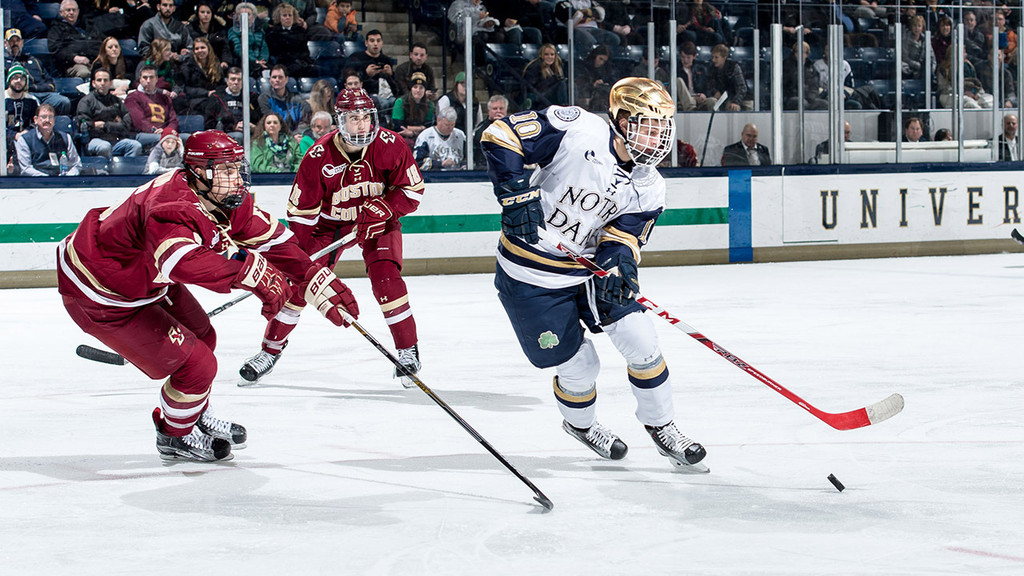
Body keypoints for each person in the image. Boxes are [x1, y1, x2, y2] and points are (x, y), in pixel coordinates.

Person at [57, 130, 359, 462]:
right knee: (199, 365)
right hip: (101, 292)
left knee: (203, 337)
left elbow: (276, 243)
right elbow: (180, 262)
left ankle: (192, 410)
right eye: (226, 170)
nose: (236, 179)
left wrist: (316, 278)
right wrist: (249, 273)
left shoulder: (222, 197)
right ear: (199, 172)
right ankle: (175, 435)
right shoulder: (173, 205)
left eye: (237, 168)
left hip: (141, 277)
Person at [479, 77, 707, 471]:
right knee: (581, 365)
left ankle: (662, 425)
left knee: (642, 340)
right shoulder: (576, 128)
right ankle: (581, 425)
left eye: (662, 128)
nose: (657, 138)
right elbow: (500, 134)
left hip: (588, 270)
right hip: (532, 277)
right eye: (647, 126)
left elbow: (623, 237)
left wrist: (618, 264)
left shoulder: (650, 186)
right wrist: (515, 192)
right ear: (619, 119)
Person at [239, 88, 424, 388]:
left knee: (387, 278)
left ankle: (407, 350)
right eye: (354, 119)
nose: (362, 125)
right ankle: (269, 351)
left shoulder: (391, 144)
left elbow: (412, 191)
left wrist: (386, 207)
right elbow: (301, 221)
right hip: (328, 228)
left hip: (377, 221)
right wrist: (295, 265)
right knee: (298, 287)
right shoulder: (317, 157)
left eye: (366, 117)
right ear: (340, 121)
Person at [76, 68, 143, 160]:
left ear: (110, 83)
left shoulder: (117, 101)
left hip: (116, 140)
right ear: (93, 83)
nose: (102, 83)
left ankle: (126, 172)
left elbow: (126, 125)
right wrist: (115, 124)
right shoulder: (86, 102)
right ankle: (105, 173)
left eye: (105, 80)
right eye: (99, 80)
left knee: (135, 145)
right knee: (105, 146)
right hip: (94, 140)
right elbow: (83, 125)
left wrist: (104, 125)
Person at [4, 28, 73, 115]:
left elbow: (50, 83)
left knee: (64, 101)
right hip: (23, 95)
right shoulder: (3, 63)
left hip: (44, 95)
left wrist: (36, 88)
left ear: (22, 42)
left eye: (17, 40)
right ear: (5, 43)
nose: (15, 44)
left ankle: (55, 124)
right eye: (11, 41)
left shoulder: (34, 60)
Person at [15, 103, 82, 176]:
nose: (47, 120)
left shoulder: (65, 137)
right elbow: (26, 168)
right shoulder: (25, 140)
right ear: (35, 120)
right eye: (43, 117)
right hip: (37, 183)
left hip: (62, 182)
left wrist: (66, 177)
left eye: (50, 117)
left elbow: (76, 164)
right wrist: (47, 179)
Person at [345, 29, 399, 115]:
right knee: (382, 102)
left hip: (387, 94)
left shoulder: (386, 59)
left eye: (378, 41)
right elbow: (350, 79)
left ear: (382, 43)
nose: (375, 44)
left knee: (398, 103)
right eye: (372, 41)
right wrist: (365, 73)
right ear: (366, 43)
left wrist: (391, 74)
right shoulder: (356, 58)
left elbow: (394, 84)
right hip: (367, 94)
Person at [126, 64, 179, 150]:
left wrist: (167, 131)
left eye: (151, 77)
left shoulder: (164, 98)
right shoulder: (133, 97)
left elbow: (173, 120)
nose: (148, 81)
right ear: (140, 79)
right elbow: (139, 121)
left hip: (165, 133)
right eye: (145, 78)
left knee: (188, 138)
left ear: (156, 79)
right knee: (166, 140)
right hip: (143, 134)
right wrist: (155, 131)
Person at [48, 0, 102, 79]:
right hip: (72, 65)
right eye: (68, 10)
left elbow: (98, 43)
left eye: (74, 10)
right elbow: (55, 50)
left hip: (93, 61)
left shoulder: (88, 26)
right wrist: (74, 58)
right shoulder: (56, 29)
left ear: (78, 11)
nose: (71, 12)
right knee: (84, 72)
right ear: (61, 12)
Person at [266, 2, 318, 79]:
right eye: (284, 15)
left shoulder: (300, 31)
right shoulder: (273, 33)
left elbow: (305, 52)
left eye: (290, 15)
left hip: (299, 62)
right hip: (283, 63)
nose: (288, 18)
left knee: (316, 69)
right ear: (279, 17)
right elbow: (276, 53)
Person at [203, 66, 257, 140]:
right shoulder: (216, 97)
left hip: (248, 133)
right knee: (239, 136)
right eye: (233, 79)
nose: (236, 83)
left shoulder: (251, 97)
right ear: (227, 81)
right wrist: (232, 127)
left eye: (239, 80)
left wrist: (254, 127)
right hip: (225, 135)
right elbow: (209, 123)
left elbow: (258, 118)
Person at [257, 65, 311, 136]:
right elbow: (270, 122)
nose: (277, 80)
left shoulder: (297, 100)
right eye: (274, 77)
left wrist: (297, 134)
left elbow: (304, 121)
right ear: (270, 80)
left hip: (296, 136)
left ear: (286, 79)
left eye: (280, 77)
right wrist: (291, 136)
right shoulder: (264, 98)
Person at [414, 106, 466, 171]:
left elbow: (469, 158)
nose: (450, 128)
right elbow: (417, 162)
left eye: (452, 124)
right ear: (438, 120)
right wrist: (440, 164)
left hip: (459, 176)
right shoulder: (425, 136)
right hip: (434, 176)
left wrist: (463, 165)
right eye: (447, 124)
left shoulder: (460, 135)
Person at [391, 72, 435, 148]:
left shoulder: (429, 104)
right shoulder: (400, 102)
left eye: (421, 88)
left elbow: (428, 126)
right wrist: (420, 128)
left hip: (422, 136)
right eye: (415, 87)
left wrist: (411, 131)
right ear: (411, 88)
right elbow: (398, 126)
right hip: (402, 136)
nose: (418, 90)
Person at [226, 2, 270, 77]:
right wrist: (255, 61)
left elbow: (264, 48)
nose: (244, 17)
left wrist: (262, 61)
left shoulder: (260, 31)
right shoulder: (233, 31)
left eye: (248, 15)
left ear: (254, 17)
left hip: (260, 63)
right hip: (243, 63)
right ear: (237, 17)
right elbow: (238, 48)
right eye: (241, 15)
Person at [707, 43, 751, 111]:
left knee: (735, 107)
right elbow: (710, 85)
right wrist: (715, 92)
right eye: (712, 57)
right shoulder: (712, 69)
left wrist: (736, 101)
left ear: (724, 58)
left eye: (716, 57)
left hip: (742, 98)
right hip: (727, 99)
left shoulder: (734, 67)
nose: (713, 60)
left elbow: (742, 87)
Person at [5, 65, 40, 150]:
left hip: (28, 139)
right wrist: (14, 135)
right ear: (9, 80)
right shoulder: (3, 99)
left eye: (22, 78)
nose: (19, 81)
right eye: (15, 78)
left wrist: (26, 132)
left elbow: (37, 121)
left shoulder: (32, 100)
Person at [523, 43, 568, 108]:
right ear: (541, 55)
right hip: (539, 96)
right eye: (546, 54)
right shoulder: (535, 66)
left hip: (551, 95)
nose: (549, 57)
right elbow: (532, 87)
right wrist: (553, 79)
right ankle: (563, 107)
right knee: (561, 84)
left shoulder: (557, 66)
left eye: (552, 54)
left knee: (570, 85)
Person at [472, 94, 508, 169]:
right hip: (484, 168)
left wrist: (503, 124)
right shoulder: (481, 128)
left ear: (506, 110)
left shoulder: (512, 127)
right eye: (495, 109)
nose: (498, 111)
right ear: (489, 111)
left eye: (501, 108)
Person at [676, 41, 713, 111]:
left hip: (698, 99)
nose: (685, 60)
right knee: (679, 80)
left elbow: (708, 87)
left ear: (694, 56)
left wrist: (704, 95)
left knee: (712, 101)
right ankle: (691, 109)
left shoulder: (701, 69)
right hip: (683, 101)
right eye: (683, 57)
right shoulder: (675, 69)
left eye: (688, 57)